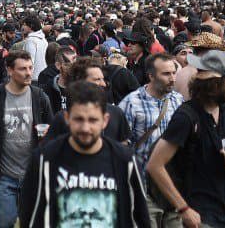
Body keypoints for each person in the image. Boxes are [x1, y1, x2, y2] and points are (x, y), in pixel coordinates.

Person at [19, 81, 151, 227]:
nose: (85, 128)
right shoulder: (45, 159)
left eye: (93, 120)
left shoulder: (125, 161)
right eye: (79, 119)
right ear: (67, 118)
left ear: (105, 120)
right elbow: (29, 215)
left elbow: (140, 216)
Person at [146, 50, 225, 228]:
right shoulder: (186, 116)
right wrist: (184, 209)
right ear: (215, 84)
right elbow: (155, 165)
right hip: (203, 217)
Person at [0, 50, 54, 228]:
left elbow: (52, 135)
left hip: (33, 176)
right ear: (9, 70)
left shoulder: (39, 97)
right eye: (23, 69)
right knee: (5, 222)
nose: (29, 72)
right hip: (4, 175)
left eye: (30, 68)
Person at [118, 53, 185, 227]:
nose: (172, 78)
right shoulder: (131, 103)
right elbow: (120, 148)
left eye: (173, 73)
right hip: (144, 189)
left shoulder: (178, 101)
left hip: (173, 187)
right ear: (151, 76)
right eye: (166, 74)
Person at [20, 14, 48, 80]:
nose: (23, 27)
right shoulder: (43, 39)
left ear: (31, 26)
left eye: (24, 25)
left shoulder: (31, 41)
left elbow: (29, 61)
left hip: (33, 77)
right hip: (43, 75)